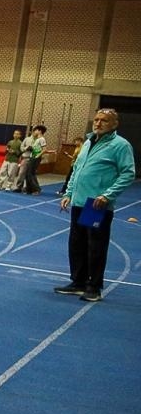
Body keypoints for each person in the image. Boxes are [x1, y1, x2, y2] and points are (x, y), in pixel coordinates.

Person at [54, 109, 134, 303]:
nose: (98, 123)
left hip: (95, 205)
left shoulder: (120, 145)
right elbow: (76, 170)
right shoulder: (88, 142)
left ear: (114, 124)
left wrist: (107, 195)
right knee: (76, 244)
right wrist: (68, 193)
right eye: (96, 119)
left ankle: (94, 286)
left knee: (95, 247)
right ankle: (78, 282)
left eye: (104, 120)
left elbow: (128, 173)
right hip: (79, 202)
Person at [20, 124, 47, 195]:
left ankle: (36, 189)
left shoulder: (42, 139)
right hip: (32, 156)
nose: (35, 131)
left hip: (35, 158)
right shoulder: (37, 139)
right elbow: (37, 148)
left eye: (36, 130)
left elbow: (44, 149)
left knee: (31, 173)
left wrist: (38, 156)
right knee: (28, 173)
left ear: (40, 131)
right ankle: (29, 189)